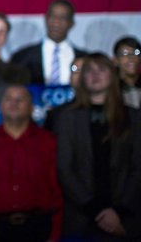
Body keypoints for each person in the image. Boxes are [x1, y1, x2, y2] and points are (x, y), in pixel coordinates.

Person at [53, 53, 141, 241]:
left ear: (113, 75)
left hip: (124, 220)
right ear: (82, 78)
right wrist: (97, 211)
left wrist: (119, 211)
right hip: (81, 218)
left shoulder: (133, 117)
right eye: (89, 70)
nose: (95, 74)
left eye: (101, 69)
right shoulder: (68, 117)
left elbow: (138, 167)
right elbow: (65, 169)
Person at [0, 85, 63, 242]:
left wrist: (54, 236)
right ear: (0, 106)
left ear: (32, 108)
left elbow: (58, 192)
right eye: (8, 99)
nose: (14, 103)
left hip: (38, 227)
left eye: (20, 99)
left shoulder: (49, 142)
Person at [10, 0, 88, 86]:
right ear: (46, 19)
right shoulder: (22, 57)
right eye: (53, 16)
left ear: (71, 23)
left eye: (63, 18)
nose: (56, 22)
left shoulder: (85, 58)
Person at [43, 56, 85, 131]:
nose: (80, 74)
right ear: (70, 78)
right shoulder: (57, 115)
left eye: (85, 69)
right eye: (75, 70)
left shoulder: (109, 111)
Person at [112, 36, 141, 109]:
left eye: (135, 52)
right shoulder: (110, 89)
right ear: (115, 60)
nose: (131, 57)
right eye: (125, 53)